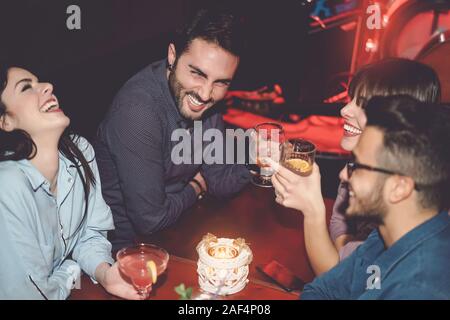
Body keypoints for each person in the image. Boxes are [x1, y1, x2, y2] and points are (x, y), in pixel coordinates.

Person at [94, 8, 252, 252]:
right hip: (128, 252)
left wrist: (253, 158)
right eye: (197, 73)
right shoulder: (137, 112)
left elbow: (219, 181)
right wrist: (196, 188)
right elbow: (150, 221)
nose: (206, 94)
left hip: (180, 228)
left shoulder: (207, 104)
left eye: (220, 82)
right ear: (172, 55)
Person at [270, 58, 441, 275]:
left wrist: (313, 211)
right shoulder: (370, 164)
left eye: (363, 104)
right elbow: (341, 221)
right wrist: (346, 252)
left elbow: (337, 284)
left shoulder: (403, 199)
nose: (344, 110)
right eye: (351, 99)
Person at [0, 64, 142, 300]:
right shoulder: (8, 185)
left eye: (41, 82)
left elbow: (90, 235)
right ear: (5, 122)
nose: (48, 87)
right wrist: (70, 269)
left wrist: (105, 274)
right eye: (26, 87)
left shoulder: (80, 152)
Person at [300, 96, 450, 299]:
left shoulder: (421, 288)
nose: (343, 175)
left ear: (399, 187)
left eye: (358, 166)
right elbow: (321, 290)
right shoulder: (384, 236)